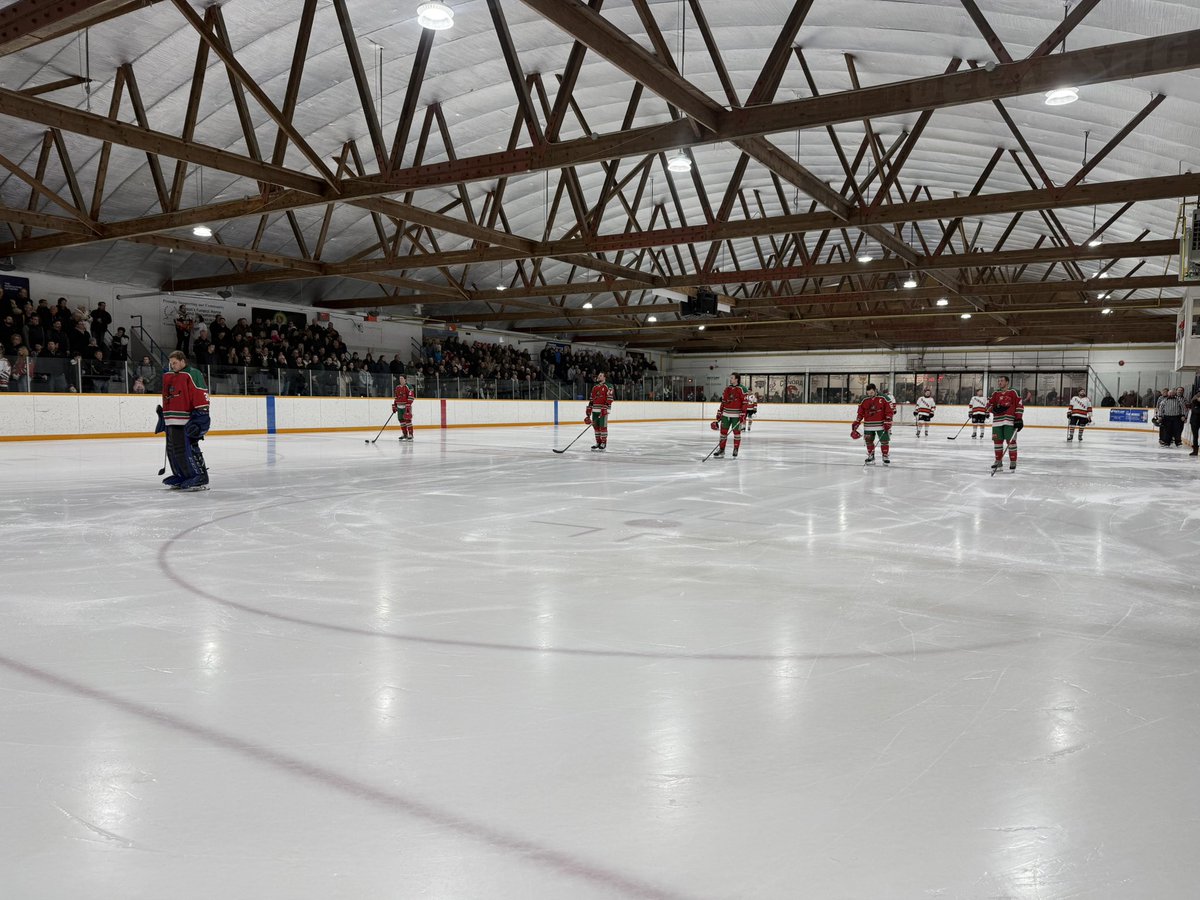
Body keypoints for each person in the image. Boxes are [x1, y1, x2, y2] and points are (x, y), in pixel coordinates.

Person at [156, 350, 210, 491]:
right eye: (171, 363)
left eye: (174, 363)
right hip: (171, 420)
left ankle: (199, 476)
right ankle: (182, 475)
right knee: (173, 450)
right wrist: (163, 415)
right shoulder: (170, 376)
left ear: (182, 361)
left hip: (186, 420)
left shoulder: (193, 374)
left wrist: (201, 417)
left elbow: (200, 395)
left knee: (187, 448)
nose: (172, 365)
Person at [985, 375, 1024, 472]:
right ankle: (998, 462)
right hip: (997, 421)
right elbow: (988, 405)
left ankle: (1013, 461)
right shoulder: (995, 393)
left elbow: (1019, 405)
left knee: (1011, 442)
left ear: (1007, 382)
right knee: (997, 442)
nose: (999, 382)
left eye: (1002, 381)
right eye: (998, 381)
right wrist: (994, 409)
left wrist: (1018, 418)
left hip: (1010, 421)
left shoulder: (1014, 392)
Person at [851, 382, 893, 465]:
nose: (870, 394)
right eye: (868, 393)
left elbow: (889, 410)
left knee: (884, 440)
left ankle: (885, 456)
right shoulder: (864, 399)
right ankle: (871, 455)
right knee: (868, 441)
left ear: (875, 390)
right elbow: (860, 412)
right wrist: (857, 421)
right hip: (868, 424)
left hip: (881, 424)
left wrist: (888, 419)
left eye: (872, 392)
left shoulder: (884, 398)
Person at [711, 373, 746, 459]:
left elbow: (745, 403)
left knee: (737, 433)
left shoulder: (742, 389)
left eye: (732, 378)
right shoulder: (727, 389)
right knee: (723, 433)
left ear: (736, 379)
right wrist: (720, 412)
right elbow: (723, 402)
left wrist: (743, 414)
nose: (730, 379)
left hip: (736, 415)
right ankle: (721, 449)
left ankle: (736, 449)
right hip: (726, 415)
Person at [585, 371, 614, 451]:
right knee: (596, 427)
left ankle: (603, 443)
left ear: (604, 377)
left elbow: (610, 398)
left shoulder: (609, 386)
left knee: (603, 427)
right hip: (595, 410)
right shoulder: (595, 387)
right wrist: (589, 410)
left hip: (603, 410)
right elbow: (592, 399)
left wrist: (606, 407)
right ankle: (598, 442)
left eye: (600, 375)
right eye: (599, 375)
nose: (599, 377)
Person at [392, 374, 415, 441]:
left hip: (406, 406)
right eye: (400, 378)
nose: (400, 380)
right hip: (399, 406)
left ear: (405, 379)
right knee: (401, 420)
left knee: (408, 420)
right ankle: (404, 434)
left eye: (402, 378)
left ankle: (410, 434)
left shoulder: (409, 386)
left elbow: (411, 396)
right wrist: (395, 405)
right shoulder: (397, 387)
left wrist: (408, 404)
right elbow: (396, 397)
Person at [1188, 388, 1200, 457]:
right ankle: (1195, 451)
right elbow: (1195, 411)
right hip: (1194, 421)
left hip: (1195, 420)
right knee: (1195, 436)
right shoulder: (1194, 402)